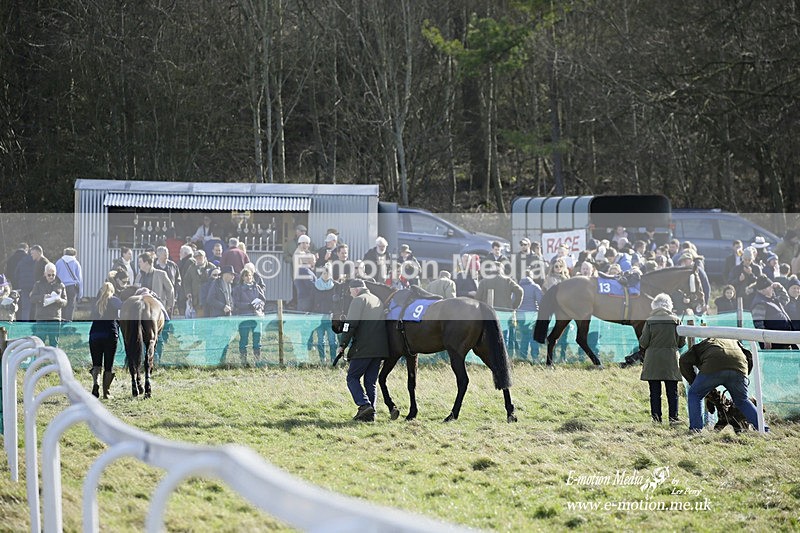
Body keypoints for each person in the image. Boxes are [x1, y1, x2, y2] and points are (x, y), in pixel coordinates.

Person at [680, 337, 763, 432]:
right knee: (742, 400)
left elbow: (683, 360)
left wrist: (693, 381)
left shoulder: (704, 343)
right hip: (739, 367)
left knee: (695, 394)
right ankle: (763, 429)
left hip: (712, 366)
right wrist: (743, 377)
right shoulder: (734, 342)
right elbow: (749, 356)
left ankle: (695, 430)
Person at [336, 279, 389, 422]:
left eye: (350, 291)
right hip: (379, 349)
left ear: (356, 289)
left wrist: (342, 344)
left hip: (363, 348)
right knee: (370, 382)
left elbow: (350, 324)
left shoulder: (359, 300)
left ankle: (364, 404)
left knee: (352, 377)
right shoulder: (377, 299)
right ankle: (371, 414)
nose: (350, 294)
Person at [638, 294, 685, 424]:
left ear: (654, 305)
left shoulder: (649, 321)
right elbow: (681, 343)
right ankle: (673, 418)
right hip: (671, 360)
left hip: (653, 360)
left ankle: (656, 419)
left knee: (654, 393)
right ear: (669, 305)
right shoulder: (676, 320)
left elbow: (643, 342)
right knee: (672, 392)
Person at [88, 282, 123, 398]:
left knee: (96, 364)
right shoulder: (115, 300)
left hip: (95, 334)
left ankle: (96, 383)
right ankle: (106, 392)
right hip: (110, 334)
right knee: (108, 365)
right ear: (112, 291)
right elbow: (123, 311)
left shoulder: (95, 302)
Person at [749, 275, 795, 349]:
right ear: (763, 290)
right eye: (770, 287)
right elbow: (758, 324)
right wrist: (765, 339)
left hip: (783, 340)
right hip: (774, 343)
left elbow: (785, 299)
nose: (772, 289)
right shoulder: (760, 303)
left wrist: (780, 287)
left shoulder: (772, 299)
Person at [232, 268, 266, 366]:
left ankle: (257, 361)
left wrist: (259, 305)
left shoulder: (257, 287)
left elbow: (263, 299)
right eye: (246, 275)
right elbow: (236, 303)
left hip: (256, 317)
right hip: (244, 317)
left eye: (250, 275)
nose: (248, 277)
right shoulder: (237, 289)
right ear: (242, 277)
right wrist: (248, 305)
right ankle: (244, 361)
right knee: (244, 339)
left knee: (257, 339)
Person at [30, 263, 67, 347]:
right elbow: (32, 298)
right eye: (49, 275)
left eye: (53, 275)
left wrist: (59, 300)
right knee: (40, 342)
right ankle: (39, 359)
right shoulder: (38, 284)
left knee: (54, 343)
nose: (51, 277)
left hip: (55, 318)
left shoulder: (61, 285)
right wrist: (43, 297)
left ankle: (54, 360)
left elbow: (65, 302)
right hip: (41, 317)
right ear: (45, 274)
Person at [312, 265, 338, 364]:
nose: (326, 275)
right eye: (324, 273)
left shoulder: (335, 286)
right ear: (321, 274)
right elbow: (312, 301)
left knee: (332, 340)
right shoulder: (315, 286)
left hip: (331, 317)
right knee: (320, 341)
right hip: (319, 318)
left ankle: (333, 359)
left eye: (328, 273)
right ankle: (322, 359)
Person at [517, 270, 543, 362]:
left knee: (524, 335)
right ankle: (535, 357)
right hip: (532, 314)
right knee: (533, 336)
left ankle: (523, 356)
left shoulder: (518, 287)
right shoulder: (535, 287)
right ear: (531, 277)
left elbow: (514, 301)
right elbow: (541, 302)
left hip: (520, 314)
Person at [184, 250, 213, 317]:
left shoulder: (211, 267)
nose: (198, 259)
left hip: (208, 298)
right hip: (196, 299)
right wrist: (188, 292)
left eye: (200, 257)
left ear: (205, 257)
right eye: (197, 258)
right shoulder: (191, 268)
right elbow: (186, 281)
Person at [154, 246, 181, 314]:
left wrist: (176, 290)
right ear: (158, 255)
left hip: (170, 296)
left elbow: (178, 279)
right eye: (165, 255)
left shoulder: (173, 265)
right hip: (157, 296)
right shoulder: (153, 266)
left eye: (167, 254)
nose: (167, 256)